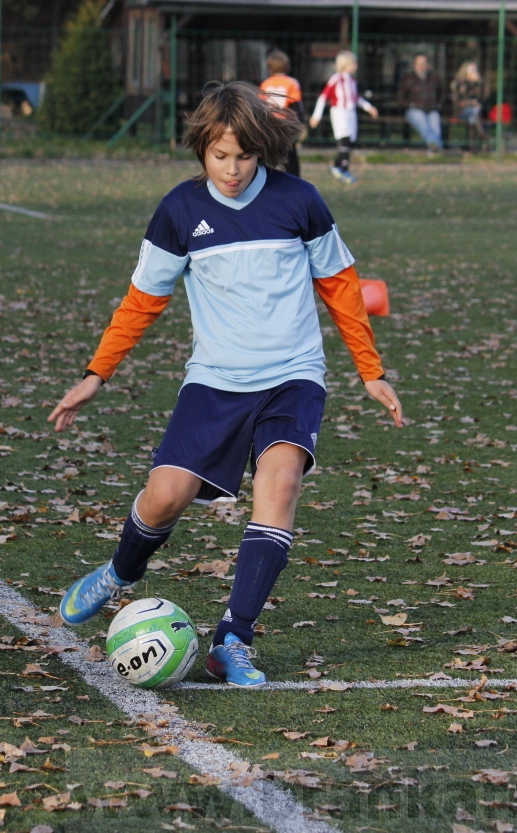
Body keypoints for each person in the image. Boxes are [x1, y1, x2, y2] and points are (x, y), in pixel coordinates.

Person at [50, 81, 404, 688]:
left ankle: (232, 641)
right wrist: (95, 374)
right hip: (215, 380)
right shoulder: (180, 212)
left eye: (244, 155)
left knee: (282, 482)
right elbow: (142, 302)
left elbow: (342, 287)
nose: (233, 169)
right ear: (201, 151)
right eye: (220, 156)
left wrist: (369, 371)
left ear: (262, 149)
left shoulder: (301, 201)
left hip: (292, 377)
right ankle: (118, 573)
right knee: (165, 496)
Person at [310, 50, 379, 184]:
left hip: (351, 113)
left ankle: (337, 166)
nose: (356, 66)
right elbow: (323, 97)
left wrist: (369, 107)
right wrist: (316, 116)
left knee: (350, 140)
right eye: (353, 63)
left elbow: (356, 98)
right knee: (344, 138)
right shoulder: (336, 79)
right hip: (339, 112)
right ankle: (343, 168)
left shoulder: (352, 81)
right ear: (345, 64)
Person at [260, 50, 306, 176]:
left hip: (270, 124)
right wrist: (301, 122)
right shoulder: (291, 83)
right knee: (290, 154)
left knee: (269, 153)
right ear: (287, 66)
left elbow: (261, 105)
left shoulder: (266, 83)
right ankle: (294, 179)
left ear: (270, 68)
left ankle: (266, 178)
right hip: (285, 124)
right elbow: (296, 104)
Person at [397, 53, 444, 155]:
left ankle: (433, 150)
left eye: (424, 63)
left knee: (435, 124)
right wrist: (410, 105)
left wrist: (438, 104)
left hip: (432, 109)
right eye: (419, 63)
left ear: (428, 64)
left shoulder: (434, 78)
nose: (422, 65)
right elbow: (400, 97)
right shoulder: (408, 78)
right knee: (423, 123)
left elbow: (441, 94)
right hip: (414, 110)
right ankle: (435, 146)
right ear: (415, 65)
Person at [451, 61, 486, 149]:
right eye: (471, 69)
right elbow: (457, 102)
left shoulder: (477, 84)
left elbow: (481, 99)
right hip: (460, 111)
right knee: (474, 111)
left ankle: (471, 146)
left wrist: (477, 84)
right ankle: (482, 136)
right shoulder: (458, 83)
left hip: (474, 113)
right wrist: (471, 103)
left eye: (475, 70)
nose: (474, 72)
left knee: (473, 116)